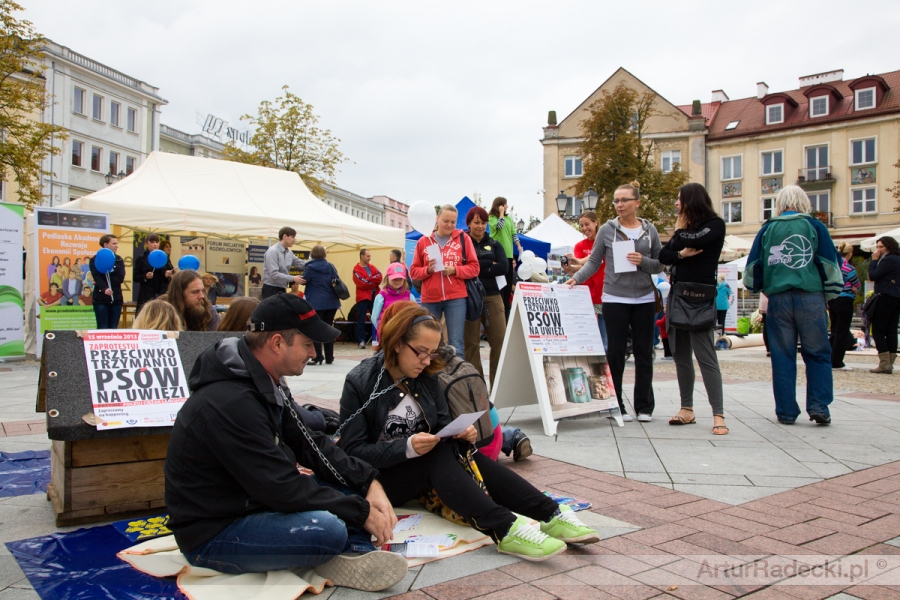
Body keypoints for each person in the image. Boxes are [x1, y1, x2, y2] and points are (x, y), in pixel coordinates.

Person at [164, 294, 408, 590]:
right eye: (307, 344)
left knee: (349, 487)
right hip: (215, 532)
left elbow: (310, 442)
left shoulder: (265, 378)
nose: (313, 353)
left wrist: (368, 483)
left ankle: (353, 552)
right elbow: (281, 488)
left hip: (257, 502)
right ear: (277, 343)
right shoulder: (230, 401)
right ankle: (340, 547)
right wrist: (360, 511)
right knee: (327, 529)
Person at [337, 304, 600, 561]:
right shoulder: (361, 381)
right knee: (434, 455)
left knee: (458, 449)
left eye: (432, 352)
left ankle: (551, 514)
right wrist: (407, 447)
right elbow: (351, 452)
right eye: (420, 352)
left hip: (420, 468)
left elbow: (440, 427)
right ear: (396, 343)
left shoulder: (427, 377)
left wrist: (460, 433)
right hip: (377, 482)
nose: (427, 360)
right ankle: (505, 528)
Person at [744, 186, 843, 424]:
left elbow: (752, 268)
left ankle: (786, 412)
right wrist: (829, 294)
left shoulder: (767, 228)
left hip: (778, 298)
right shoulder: (815, 226)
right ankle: (819, 406)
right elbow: (830, 263)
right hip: (810, 295)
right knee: (818, 353)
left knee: (782, 354)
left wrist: (760, 287)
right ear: (803, 202)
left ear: (779, 203)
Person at [566, 182, 663, 422]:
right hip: (615, 298)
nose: (619, 205)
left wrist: (643, 261)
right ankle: (616, 404)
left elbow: (660, 264)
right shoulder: (607, 230)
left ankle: (644, 407)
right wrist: (576, 279)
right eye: (616, 201)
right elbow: (594, 261)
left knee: (643, 352)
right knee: (616, 352)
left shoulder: (649, 231)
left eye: (624, 200)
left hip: (644, 298)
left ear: (637, 203)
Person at [658, 183, 728, 435]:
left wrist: (678, 234)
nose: (676, 204)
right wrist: (683, 255)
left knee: (706, 357)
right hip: (678, 297)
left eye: (679, 199)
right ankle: (686, 408)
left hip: (700, 299)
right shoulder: (685, 230)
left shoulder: (715, 224)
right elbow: (663, 256)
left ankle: (718, 414)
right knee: (681, 357)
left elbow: (699, 239)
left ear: (691, 200)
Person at [410, 205, 480, 359]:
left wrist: (455, 270)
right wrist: (427, 270)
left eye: (453, 222)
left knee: (456, 342)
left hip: (456, 298)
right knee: (429, 342)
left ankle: (456, 379)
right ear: (437, 219)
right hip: (430, 298)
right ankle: (432, 378)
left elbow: (475, 268)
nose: (449, 225)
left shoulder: (463, 238)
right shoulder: (424, 241)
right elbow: (413, 271)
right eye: (446, 221)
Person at [462, 206, 508, 387]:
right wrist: (490, 263)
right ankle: (477, 386)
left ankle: (496, 386)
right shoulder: (462, 243)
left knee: (500, 341)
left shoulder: (495, 244)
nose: (480, 226)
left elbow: (503, 267)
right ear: (469, 224)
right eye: (476, 223)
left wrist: (477, 267)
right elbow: (464, 267)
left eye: (483, 223)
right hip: (469, 297)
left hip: (493, 297)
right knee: (470, 344)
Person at [565, 211, 608, 350]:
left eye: (587, 224)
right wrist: (570, 268)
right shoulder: (580, 245)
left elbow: (595, 257)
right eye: (581, 226)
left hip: (603, 293)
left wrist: (579, 261)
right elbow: (579, 267)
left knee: (604, 338)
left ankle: (606, 368)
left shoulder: (605, 242)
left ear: (596, 223)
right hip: (585, 295)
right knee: (584, 335)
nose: (584, 228)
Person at [302, 245, 343, 365]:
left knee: (316, 328)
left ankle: (318, 356)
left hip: (316, 302)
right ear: (324, 254)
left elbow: (304, 280)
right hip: (331, 301)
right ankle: (329, 357)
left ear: (312, 254)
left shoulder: (309, 268)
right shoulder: (331, 266)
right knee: (328, 327)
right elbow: (336, 279)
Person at [868, 235, 900, 374]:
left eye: (881, 247)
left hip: (885, 296)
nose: (878, 250)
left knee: (878, 330)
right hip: (897, 297)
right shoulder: (898, 259)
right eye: (877, 247)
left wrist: (874, 261)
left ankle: (885, 363)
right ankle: (890, 362)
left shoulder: (888, 259)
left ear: (889, 247)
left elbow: (873, 275)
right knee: (891, 329)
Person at [488, 197, 523, 320]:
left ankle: (506, 313)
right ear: (500, 205)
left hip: (508, 254)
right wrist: (501, 214)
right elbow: (499, 226)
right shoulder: (492, 218)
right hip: (497, 254)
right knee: (500, 285)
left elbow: (514, 233)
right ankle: (498, 313)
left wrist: (518, 246)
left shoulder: (508, 218)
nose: (507, 206)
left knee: (507, 285)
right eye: (505, 204)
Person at [830, 242, 860, 371]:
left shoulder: (833, 265)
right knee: (842, 331)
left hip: (832, 298)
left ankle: (829, 357)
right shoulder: (849, 268)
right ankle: (837, 361)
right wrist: (853, 288)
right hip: (845, 299)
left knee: (834, 329)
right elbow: (856, 285)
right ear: (850, 253)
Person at [89, 234, 126, 329]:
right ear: (105, 245)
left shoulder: (119, 260)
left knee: (113, 327)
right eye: (114, 243)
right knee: (102, 327)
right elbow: (96, 276)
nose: (116, 245)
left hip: (116, 298)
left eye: (117, 243)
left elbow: (120, 277)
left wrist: (106, 281)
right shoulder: (95, 260)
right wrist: (104, 287)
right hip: (101, 298)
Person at [371, 263, 411, 350]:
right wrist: (381, 328)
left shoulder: (409, 296)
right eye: (394, 279)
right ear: (387, 278)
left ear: (404, 280)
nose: (397, 281)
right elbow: (374, 317)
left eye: (400, 279)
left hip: (405, 332)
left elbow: (415, 314)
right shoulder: (381, 296)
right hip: (386, 333)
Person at [262, 226, 307, 299]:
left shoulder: (289, 253)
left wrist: (316, 260)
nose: (294, 240)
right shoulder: (272, 251)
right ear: (285, 236)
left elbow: (301, 264)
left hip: (282, 288)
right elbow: (274, 274)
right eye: (292, 237)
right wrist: (293, 278)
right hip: (271, 289)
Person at [134, 234, 174, 313]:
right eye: (152, 242)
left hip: (162, 293)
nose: (155, 244)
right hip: (147, 294)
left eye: (157, 242)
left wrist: (168, 276)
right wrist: (145, 276)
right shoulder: (141, 258)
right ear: (146, 244)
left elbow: (170, 274)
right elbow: (135, 277)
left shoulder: (164, 257)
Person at [352, 249, 383, 349]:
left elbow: (380, 277)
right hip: (363, 297)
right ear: (361, 256)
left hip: (374, 295)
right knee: (361, 319)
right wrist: (372, 282)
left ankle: (377, 339)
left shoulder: (373, 267)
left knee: (377, 317)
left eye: (370, 256)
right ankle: (361, 340)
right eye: (367, 256)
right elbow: (361, 282)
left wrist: (369, 280)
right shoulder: (356, 269)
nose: (369, 258)